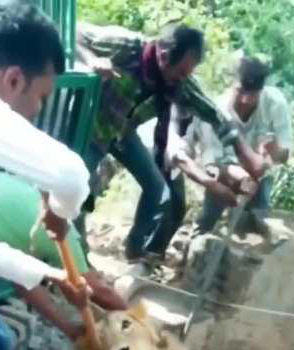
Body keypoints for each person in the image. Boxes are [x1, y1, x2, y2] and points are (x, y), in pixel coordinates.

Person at [0, 0, 125, 350]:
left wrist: (53, 274)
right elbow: (70, 176)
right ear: (14, 80)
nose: (37, 111)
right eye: (42, 96)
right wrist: (60, 212)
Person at [76, 23, 268, 266]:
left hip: (122, 131)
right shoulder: (127, 45)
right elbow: (74, 33)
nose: (183, 79)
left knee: (157, 188)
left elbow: (215, 114)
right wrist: (92, 59)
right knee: (79, 188)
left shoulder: (180, 84)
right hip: (91, 128)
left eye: (188, 73)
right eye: (181, 72)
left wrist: (243, 152)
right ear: (163, 56)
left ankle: (135, 249)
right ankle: (78, 258)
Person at [177, 55, 293, 234]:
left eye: (253, 94)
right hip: (224, 174)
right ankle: (197, 242)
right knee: (208, 222)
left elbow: (284, 154)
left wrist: (274, 150)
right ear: (232, 84)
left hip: (261, 178)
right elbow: (213, 165)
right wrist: (240, 176)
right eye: (241, 91)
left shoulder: (275, 103)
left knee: (258, 223)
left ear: (261, 90)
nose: (246, 100)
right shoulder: (215, 112)